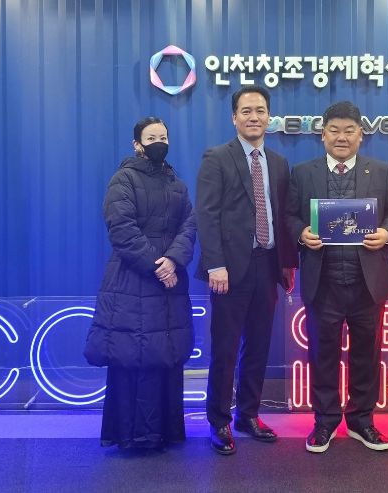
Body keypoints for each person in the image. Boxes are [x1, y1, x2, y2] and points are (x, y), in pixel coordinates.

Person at [286, 101, 388, 453]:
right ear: (322, 135)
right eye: (334, 130)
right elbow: (289, 216)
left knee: (367, 356)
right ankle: (324, 422)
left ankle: (362, 421)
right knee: (322, 356)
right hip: (324, 283)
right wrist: (301, 232)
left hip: (368, 284)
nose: (341, 137)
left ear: (360, 136)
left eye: (349, 131)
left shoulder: (380, 170)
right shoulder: (303, 172)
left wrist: (387, 233)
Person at [84, 117, 197, 450]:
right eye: (151, 137)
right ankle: (131, 436)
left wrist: (173, 259)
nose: (158, 142)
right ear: (137, 144)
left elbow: (190, 225)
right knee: (131, 354)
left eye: (163, 137)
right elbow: (121, 228)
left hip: (170, 280)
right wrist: (156, 265)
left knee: (165, 354)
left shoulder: (177, 183)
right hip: (132, 280)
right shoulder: (123, 179)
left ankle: (165, 433)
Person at [195, 85, 297, 455]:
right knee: (225, 348)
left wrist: (287, 263)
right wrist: (215, 264)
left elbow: (283, 216)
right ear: (234, 117)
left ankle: (248, 415)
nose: (254, 117)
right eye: (246, 111)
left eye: (260, 111)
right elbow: (206, 214)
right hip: (229, 269)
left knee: (259, 345)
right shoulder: (217, 157)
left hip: (267, 266)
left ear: (269, 116)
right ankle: (219, 421)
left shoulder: (279, 163)